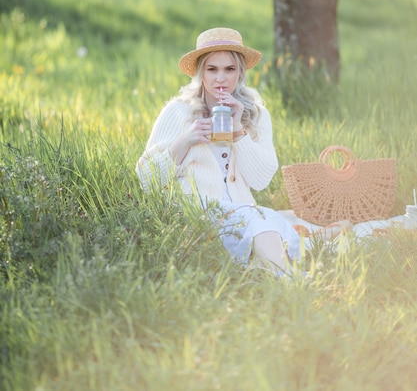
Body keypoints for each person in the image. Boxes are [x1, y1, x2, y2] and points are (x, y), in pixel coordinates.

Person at [136, 27, 347, 276]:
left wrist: (238, 130)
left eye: (229, 69)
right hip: (196, 214)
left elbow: (261, 180)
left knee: (262, 221)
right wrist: (185, 140)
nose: (220, 79)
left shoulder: (256, 115)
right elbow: (146, 179)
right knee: (264, 221)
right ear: (200, 73)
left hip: (243, 213)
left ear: (241, 72)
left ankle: (273, 269)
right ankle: (290, 275)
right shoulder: (178, 112)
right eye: (212, 69)